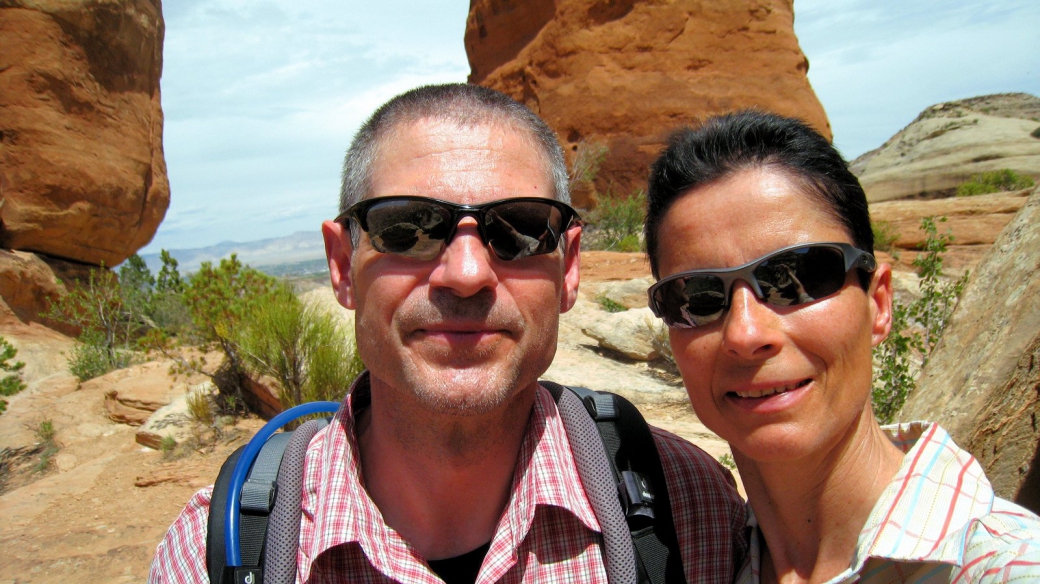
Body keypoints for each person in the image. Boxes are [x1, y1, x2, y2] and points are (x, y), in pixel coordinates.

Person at [149, 83, 748, 584]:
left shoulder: (689, 510)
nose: (466, 275)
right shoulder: (214, 554)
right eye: (407, 228)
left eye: (519, 229)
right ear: (341, 267)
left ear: (567, 269)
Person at [642, 110, 1040, 583]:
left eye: (797, 278)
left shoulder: (1003, 566)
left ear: (878, 303)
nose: (746, 335)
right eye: (697, 298)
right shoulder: (699, 558)